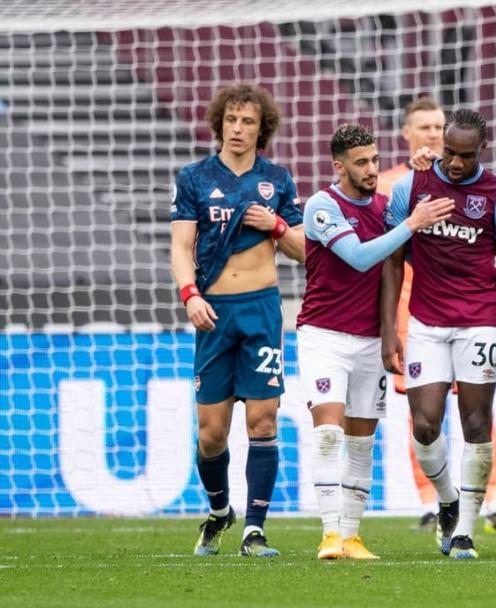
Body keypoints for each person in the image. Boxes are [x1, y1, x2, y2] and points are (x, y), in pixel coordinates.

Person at [298, 124, 454, 560]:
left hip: (369, 341)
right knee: (329, 434)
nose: (371, 169)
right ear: (339, 166)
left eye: (374, 160)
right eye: (361, 162)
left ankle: (351, 535)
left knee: (361, 443)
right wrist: (411, 223)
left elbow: (393, 269)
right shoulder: (322, 206)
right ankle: (329, 534)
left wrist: (390, 332)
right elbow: (362, 257)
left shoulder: (386, 207)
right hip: (324, 336)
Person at [382, 109, 496, 559]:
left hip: (479, 321)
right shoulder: (412, 187)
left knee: (477, 424)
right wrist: (388, 330)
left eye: (466, 155)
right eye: (450, 153)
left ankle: (464, 528)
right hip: (425, 321)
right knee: (425, 426)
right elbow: (391, 258)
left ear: (481, 150)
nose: (457, 163)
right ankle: (446, 499)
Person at [170, 83, 305, 557]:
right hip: (213, 313)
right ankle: (219, 510)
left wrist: (277, 225)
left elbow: (306, 251)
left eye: (248, 121)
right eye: (231, 120)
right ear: (219, 123)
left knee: (263, 422)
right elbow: (181, 247)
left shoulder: (277, 180)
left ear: (261, 128)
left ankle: (254, 529)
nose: (238, 128)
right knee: (210, 434)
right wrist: (189, 295)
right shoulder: (194, 177)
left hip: (262, 310)